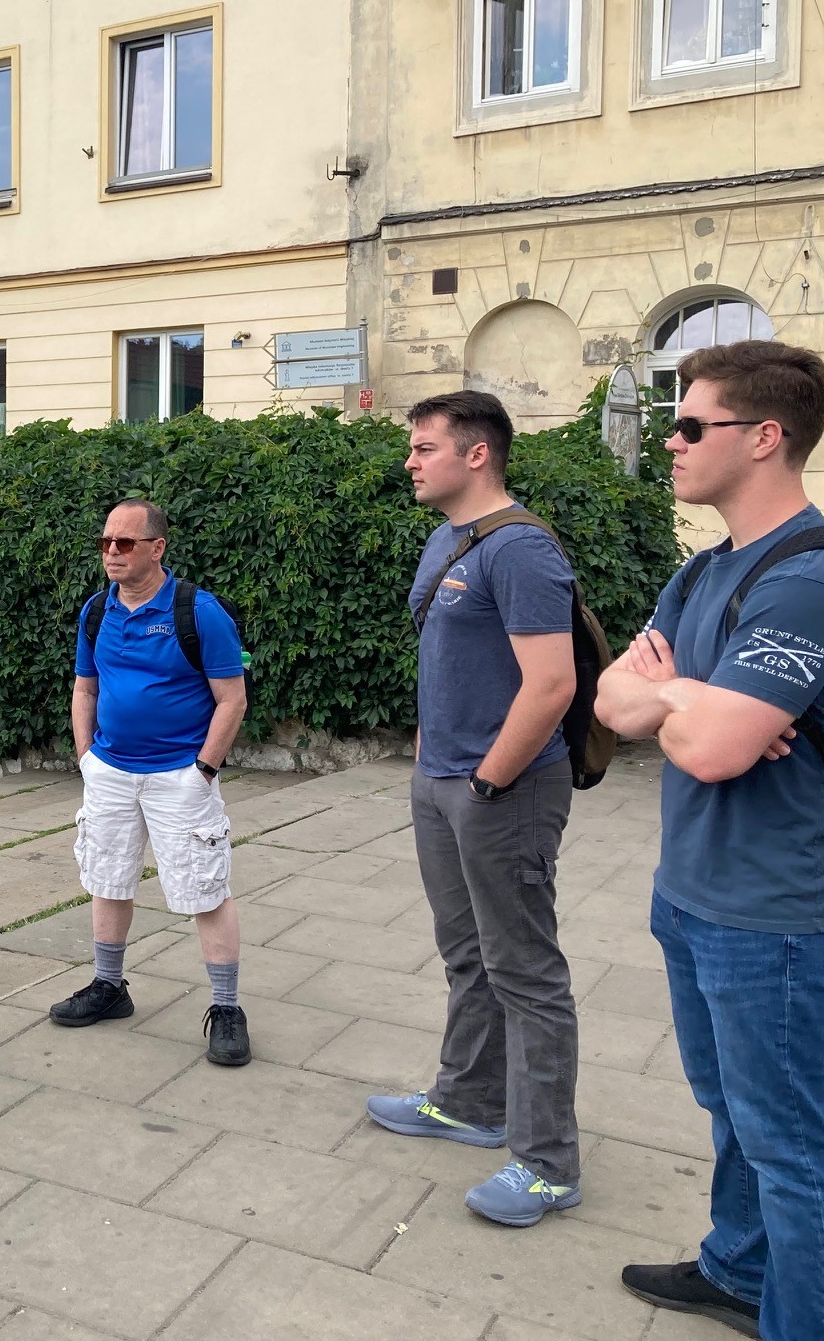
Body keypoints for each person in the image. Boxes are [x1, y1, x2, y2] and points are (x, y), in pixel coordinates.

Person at [595, 343, 824, 1340]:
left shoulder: (820, 581)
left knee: (793, 1146)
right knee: (730, 1107)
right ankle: (739, 1270)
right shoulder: (707, 569)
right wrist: (688, 695)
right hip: (696, 889)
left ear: (764, 439)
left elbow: (709, 751)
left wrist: (677, 702)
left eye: (689, 424)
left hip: (784, 914)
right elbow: (610, 695)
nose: (668, 441)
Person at [365, 391, 583, 1227]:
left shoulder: (520, 549)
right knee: (468, 957)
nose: (411, 462)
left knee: (526, 973)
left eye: (425, 448)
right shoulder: (447, 540)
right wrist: (431, 752)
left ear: (477, 453)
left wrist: (488, 780)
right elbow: (451, 657)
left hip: (506, 790)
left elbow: (553, 684)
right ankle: (468, 1101)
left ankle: (547, 1162)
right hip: (443, 782)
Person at [48, 499, 253, 1067]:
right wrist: (88, 757)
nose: (112, 552)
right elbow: (84, 689)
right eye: (106, 542)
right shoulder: (97, 611)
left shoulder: (199, 612)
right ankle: (109, 987)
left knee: (204, 889)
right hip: (111, 773)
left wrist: (203, 771)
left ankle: (227, 1009)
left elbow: (231, 699)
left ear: (157, 548)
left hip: (179, 777)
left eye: (126, 543)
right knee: (108, 878)